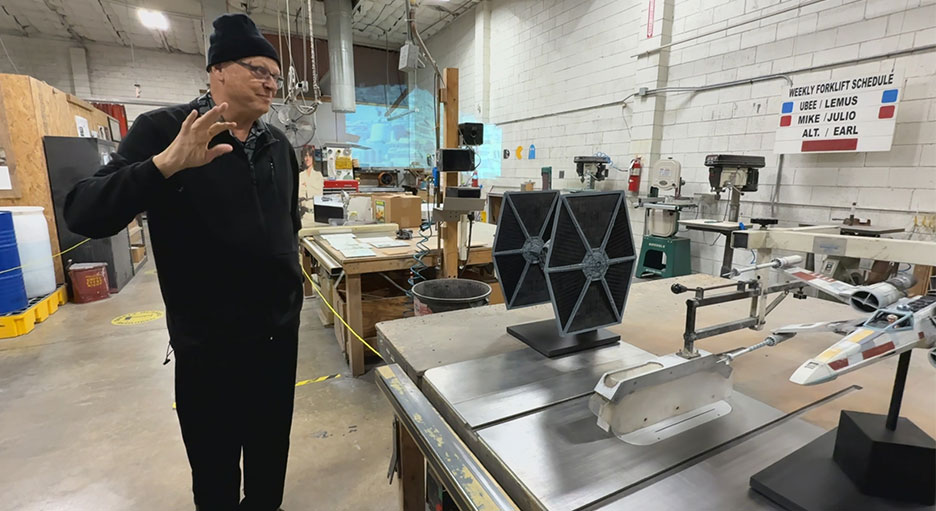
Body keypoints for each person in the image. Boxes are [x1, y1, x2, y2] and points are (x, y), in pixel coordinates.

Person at [65, 13, 301, 511]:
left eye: (275, 76)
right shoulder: (164, 130)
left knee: (269, 454)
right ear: (216, 69)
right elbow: (85, 211)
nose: (269, 82)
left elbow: (287, 226)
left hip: (277, 336)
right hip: (209, 341)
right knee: (215, 465)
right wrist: (165, 165)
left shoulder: (278, 144)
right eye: (257, 68)